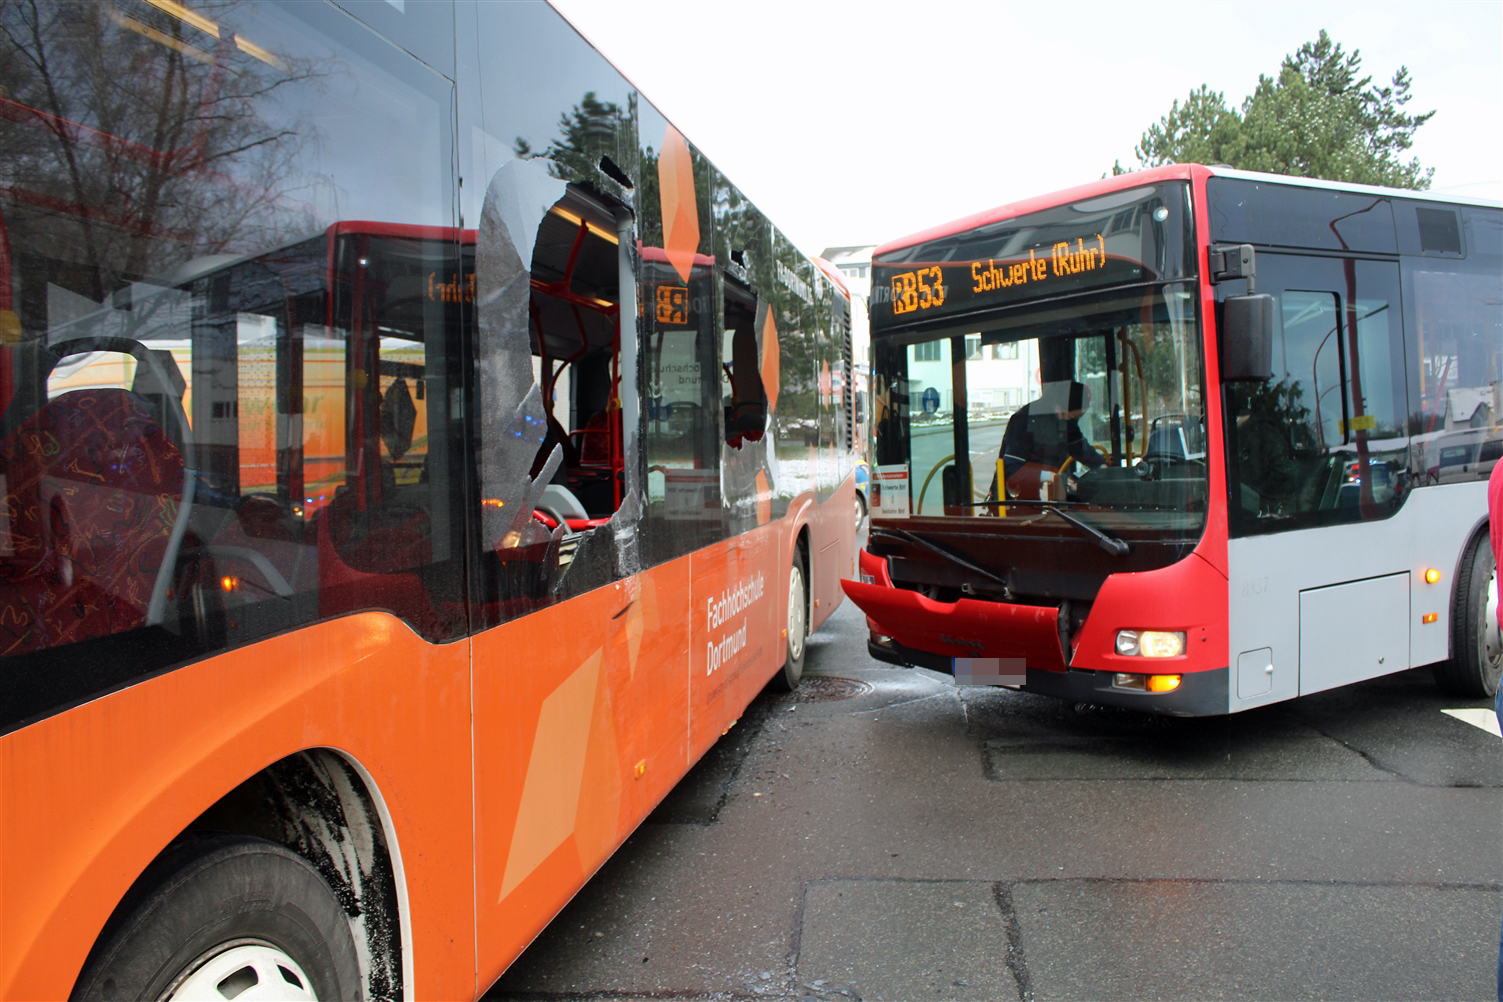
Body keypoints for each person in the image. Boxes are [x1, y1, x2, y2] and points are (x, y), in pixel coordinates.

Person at [995, 380, 1104, 500]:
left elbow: (1080, 448)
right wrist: (1052, 476)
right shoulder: (1024, 421)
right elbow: (1011, 470)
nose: (1074, 423)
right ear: (1058, 409)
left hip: (1041, 492)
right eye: (1074, 417)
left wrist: (1102, 466)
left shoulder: (1065, 421)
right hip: (1015, 496)